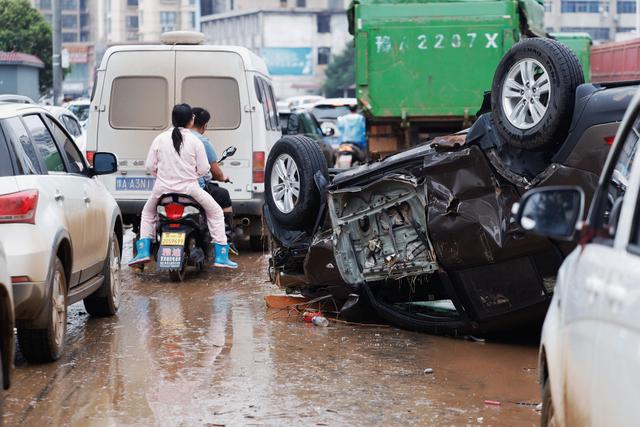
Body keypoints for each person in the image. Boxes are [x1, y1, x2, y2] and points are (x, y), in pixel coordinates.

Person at [128, 103, 238, 269]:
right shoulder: (196, 141)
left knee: (147, 213)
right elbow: (202, 170)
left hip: (162, 191)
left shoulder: (159, 139)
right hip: (191, 191)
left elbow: (150, 166)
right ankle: (221, 255)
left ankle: (143, 252)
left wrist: (163, 176)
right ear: (191, 120)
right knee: (215, 212)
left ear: (173, 119)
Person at [190, 107, 238, 255]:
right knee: (222, 198)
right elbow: (210, 170)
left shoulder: (169, 138)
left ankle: (144, 247)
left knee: (148, 215)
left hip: (168, 188)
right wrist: (222, 177)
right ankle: (226, 242)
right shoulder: (201, 141)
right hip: (194, 188)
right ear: (204, 125)